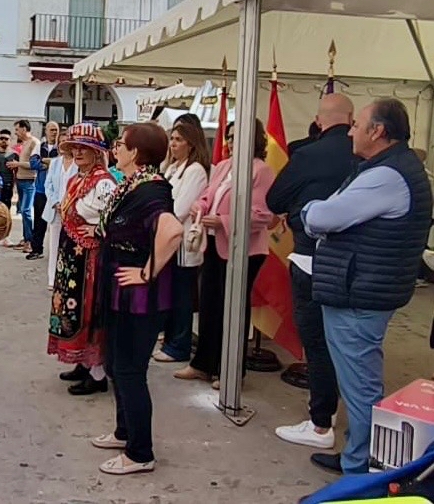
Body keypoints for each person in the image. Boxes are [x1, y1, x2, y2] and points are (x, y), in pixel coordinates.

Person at [302, 99, 432, 475]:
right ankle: (356, 455)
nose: (351, 132)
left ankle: (359, 470)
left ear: (378, 131)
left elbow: (327, 214)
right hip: (365, 287)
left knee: (359, 387)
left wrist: (310, 212)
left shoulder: (387, 176)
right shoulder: (392, 168)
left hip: (358, 292)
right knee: (359, 379)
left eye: (357, 124)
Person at [267, 93, 358, 451]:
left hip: (310, 256)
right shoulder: (369, 158)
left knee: (317, 344)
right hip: (356, 263)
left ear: (319, 120)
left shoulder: (307, 154)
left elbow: (275, 200)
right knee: (346, 343)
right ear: (351, 120)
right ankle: (338, 416)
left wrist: (298, 209)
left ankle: (322, 424)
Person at [93, 122, 183, 475]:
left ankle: (140, 453)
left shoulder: (152, 190)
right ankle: (124, 431)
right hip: (120, 290)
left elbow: (173, 231)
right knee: (115, 363)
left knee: (130, 370)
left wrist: (147, 271)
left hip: (140, 295)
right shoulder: (132, 184)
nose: (116, 149)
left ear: (136, 152)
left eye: (121, 144)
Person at [174, 119, 274, 390]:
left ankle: (230, 369)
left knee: (233, 310)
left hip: (244, 249)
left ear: (253, 138)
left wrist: (224, 221)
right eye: (229, 136)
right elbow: (208, 195)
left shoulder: (261, 171)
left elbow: (263, 214)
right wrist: (200, 207)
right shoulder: (225, 167)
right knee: (208, 305)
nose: (231, 141)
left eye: (236, 135)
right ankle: (203, 364)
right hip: (214, 244)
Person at [48, 122, 117, 396]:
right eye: (74, 147)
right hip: (72, 254)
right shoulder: (78, 178)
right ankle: (82, 362)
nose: (77, 152)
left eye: (83, 148)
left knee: (88, 310)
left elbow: (109, 218)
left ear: (97, 152)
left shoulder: (103, 181)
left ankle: (97, 373)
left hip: (89, 257)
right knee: (71, 309)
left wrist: (98, 228)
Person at [152, 122, 210, 363]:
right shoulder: (172, 167)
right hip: (167, 239)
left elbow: (181, 208)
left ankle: (179, 345)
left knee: (182, 296)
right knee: (170, 293)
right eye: (172, 139)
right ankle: (170, 339)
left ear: (191, 143)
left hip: (183, 243)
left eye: (178, 140)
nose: (173, 144)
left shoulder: (195, 170)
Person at [43, 131, 77, 290]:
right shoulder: (55, 163)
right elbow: (48, 185)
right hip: (55, 209)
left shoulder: (79, 163)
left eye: (66, 142)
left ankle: (67, 275)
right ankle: (52, 278)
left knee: (70, 244)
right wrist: (56, 202)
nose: (62, 145)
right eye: (60, 142)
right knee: (54, 243)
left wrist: (68, 204)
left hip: (72, 210)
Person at [28, 121, 60, 260]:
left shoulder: (61, 148)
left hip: (57, 191)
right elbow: (33, 163)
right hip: (41, 190)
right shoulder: (39, 147)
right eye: (51, 129)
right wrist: (49, 164)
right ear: (45, 131)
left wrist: (48, 162)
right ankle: (37, 249)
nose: (54, 132)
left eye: (56, 130)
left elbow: (62, 162)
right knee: (39, 221)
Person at [8, 120, 41, 253]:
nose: (16, 132)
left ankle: (30, 241)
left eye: (17, 129)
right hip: (21, 180)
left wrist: (17, 165)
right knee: (22, 211)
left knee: (26, 210)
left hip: (30, 181)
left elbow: (35, 164)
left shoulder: (35, 143)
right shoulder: (25, 143)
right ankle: (25, 238)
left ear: (24, 129)